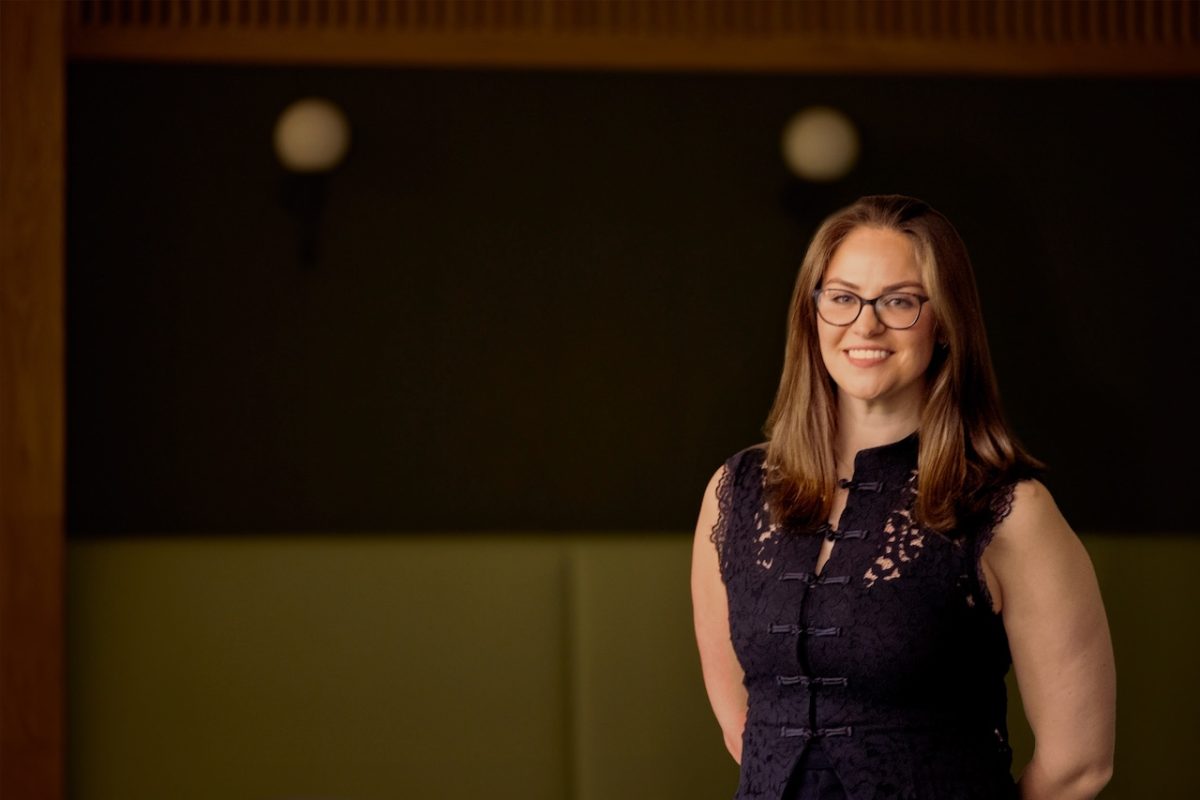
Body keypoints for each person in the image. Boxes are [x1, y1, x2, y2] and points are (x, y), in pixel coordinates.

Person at [691, 195, 1115, 800]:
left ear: (944, 320)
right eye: (841, 297)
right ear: (811, 315)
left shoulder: (1010, 510)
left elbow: (1081, 764)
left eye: (898, 301)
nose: (865, 325)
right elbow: (748, 725)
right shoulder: (735, 492)